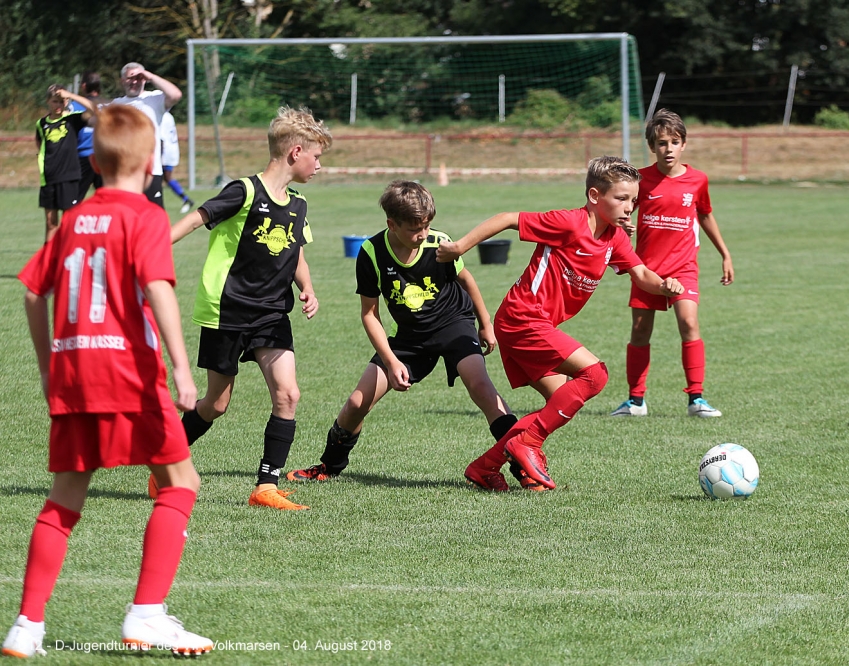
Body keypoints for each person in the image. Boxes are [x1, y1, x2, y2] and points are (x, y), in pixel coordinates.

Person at [2, 104, 212, 659]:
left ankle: (27, 624)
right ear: (151, 163)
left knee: (63, 500)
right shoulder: (145, 216)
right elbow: (158, 287)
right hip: (129, 375)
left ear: (92, 163)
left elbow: (32, 292)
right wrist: (181, 367)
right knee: (180, 484)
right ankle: (147, 614)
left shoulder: (73, 219)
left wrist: (47, 367)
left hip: (74, 374)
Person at [436, 156, 684, 491]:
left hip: (535, 324)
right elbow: (508, 218)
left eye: (633, 200)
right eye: (621, 198)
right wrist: (459, 248)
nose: (630, 207)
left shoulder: (614, 238)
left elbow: (640, 274)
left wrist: (665, 284)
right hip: (523, 317)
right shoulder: (569, 223)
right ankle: (528, 444)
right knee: (596, 374)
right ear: (595, 196)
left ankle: (485, 466)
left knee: (560, 401)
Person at [285, 181, 519, 491]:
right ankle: (329, 465)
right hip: (410, 337)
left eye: (427, 226)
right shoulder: (371, 253)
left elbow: (466, 279)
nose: (422, 234)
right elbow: (369, 314)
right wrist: (392, 361)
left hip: (454, 324)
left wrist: (485, 323)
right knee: (357, 402)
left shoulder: (439, 243)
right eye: (414, 229)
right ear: (392, 224)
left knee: (481, 387)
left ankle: (524, 465)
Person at [167, 106, 332, 511]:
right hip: (227, 311)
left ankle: (265, 487)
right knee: (216, 404)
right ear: (295, 152)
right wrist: (149, 249)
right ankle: (166, 461)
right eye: (316, 157)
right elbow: (196, 219)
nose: (319, 166)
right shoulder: (243, 191)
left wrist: (308, 288)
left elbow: (296, 251)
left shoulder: (298, 204)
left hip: (272, 314)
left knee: (288, 394)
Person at [610, 109, 734, 419]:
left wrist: (725, 253)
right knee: (640, 332)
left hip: (683, 267)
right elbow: (621, 211)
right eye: (662, 143)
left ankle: (697, 399)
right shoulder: (640, 180)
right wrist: (624, 223)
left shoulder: (698, 180)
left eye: (674, 142)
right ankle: (635, 401)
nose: (668, 149)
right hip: (646, 269)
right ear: (652, 146)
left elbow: (705, 215)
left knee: (689, 323)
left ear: (684, 145)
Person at [112, 62, 182, 208]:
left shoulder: (154, 99)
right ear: (122, 80)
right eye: (130, 78)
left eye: (139, 78)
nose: (135, 82)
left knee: (153, 217)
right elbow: (92, 115)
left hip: (151, 171)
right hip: (125, 174)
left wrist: (151, 76)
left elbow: (175, 95)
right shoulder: (116, 105)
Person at [35, 85, 95, 242]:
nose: (58, 105)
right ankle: (49, 257)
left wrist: (70, 95)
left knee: (69, 222)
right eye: (55, 101)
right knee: (51, 223)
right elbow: (41, 146)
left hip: (69, 178)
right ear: (48, 101)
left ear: (66, 102)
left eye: (62, 101)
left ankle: (68, 254)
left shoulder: (73, 119)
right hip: (49, 179)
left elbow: (94, 109)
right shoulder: (41, 124)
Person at [69, 72, 108, 202]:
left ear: (84, 86)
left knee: (74, 200)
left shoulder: (74, 106)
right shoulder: (107, 105)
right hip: (104, 156)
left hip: (83, 156)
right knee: (106, 199)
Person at [160, 110, 195, 213]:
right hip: (171, 150)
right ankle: (186, 199)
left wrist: (159, 156)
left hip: (165, 152)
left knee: (159, 178)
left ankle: (186, 199)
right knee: (166, 178)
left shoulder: (162, 116)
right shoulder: (168, 116)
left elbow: (161, 138)